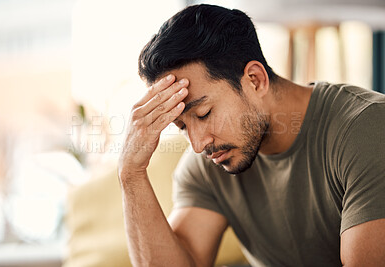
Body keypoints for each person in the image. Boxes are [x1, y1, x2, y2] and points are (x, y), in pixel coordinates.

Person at [118, 4, 385, 267]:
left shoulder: (367, 128)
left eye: (203, 114)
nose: (198, 145)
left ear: (255, 79)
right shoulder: (208, 165)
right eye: (182, 126)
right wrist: (131, 173)